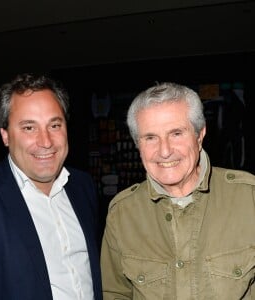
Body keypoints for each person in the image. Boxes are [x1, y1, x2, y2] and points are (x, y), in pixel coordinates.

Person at [101, 82, 255, 299]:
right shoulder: (122, 214)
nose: (164, 151)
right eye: (151, 137)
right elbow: (115, 293)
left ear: (199, 135)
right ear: (138, 144)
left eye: (176, 133)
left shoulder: (249, 198)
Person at [0, 73, 102, 300]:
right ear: (5, 135)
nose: (45, 142)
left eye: (54, 125)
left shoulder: (82, 186)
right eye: (29, 128)